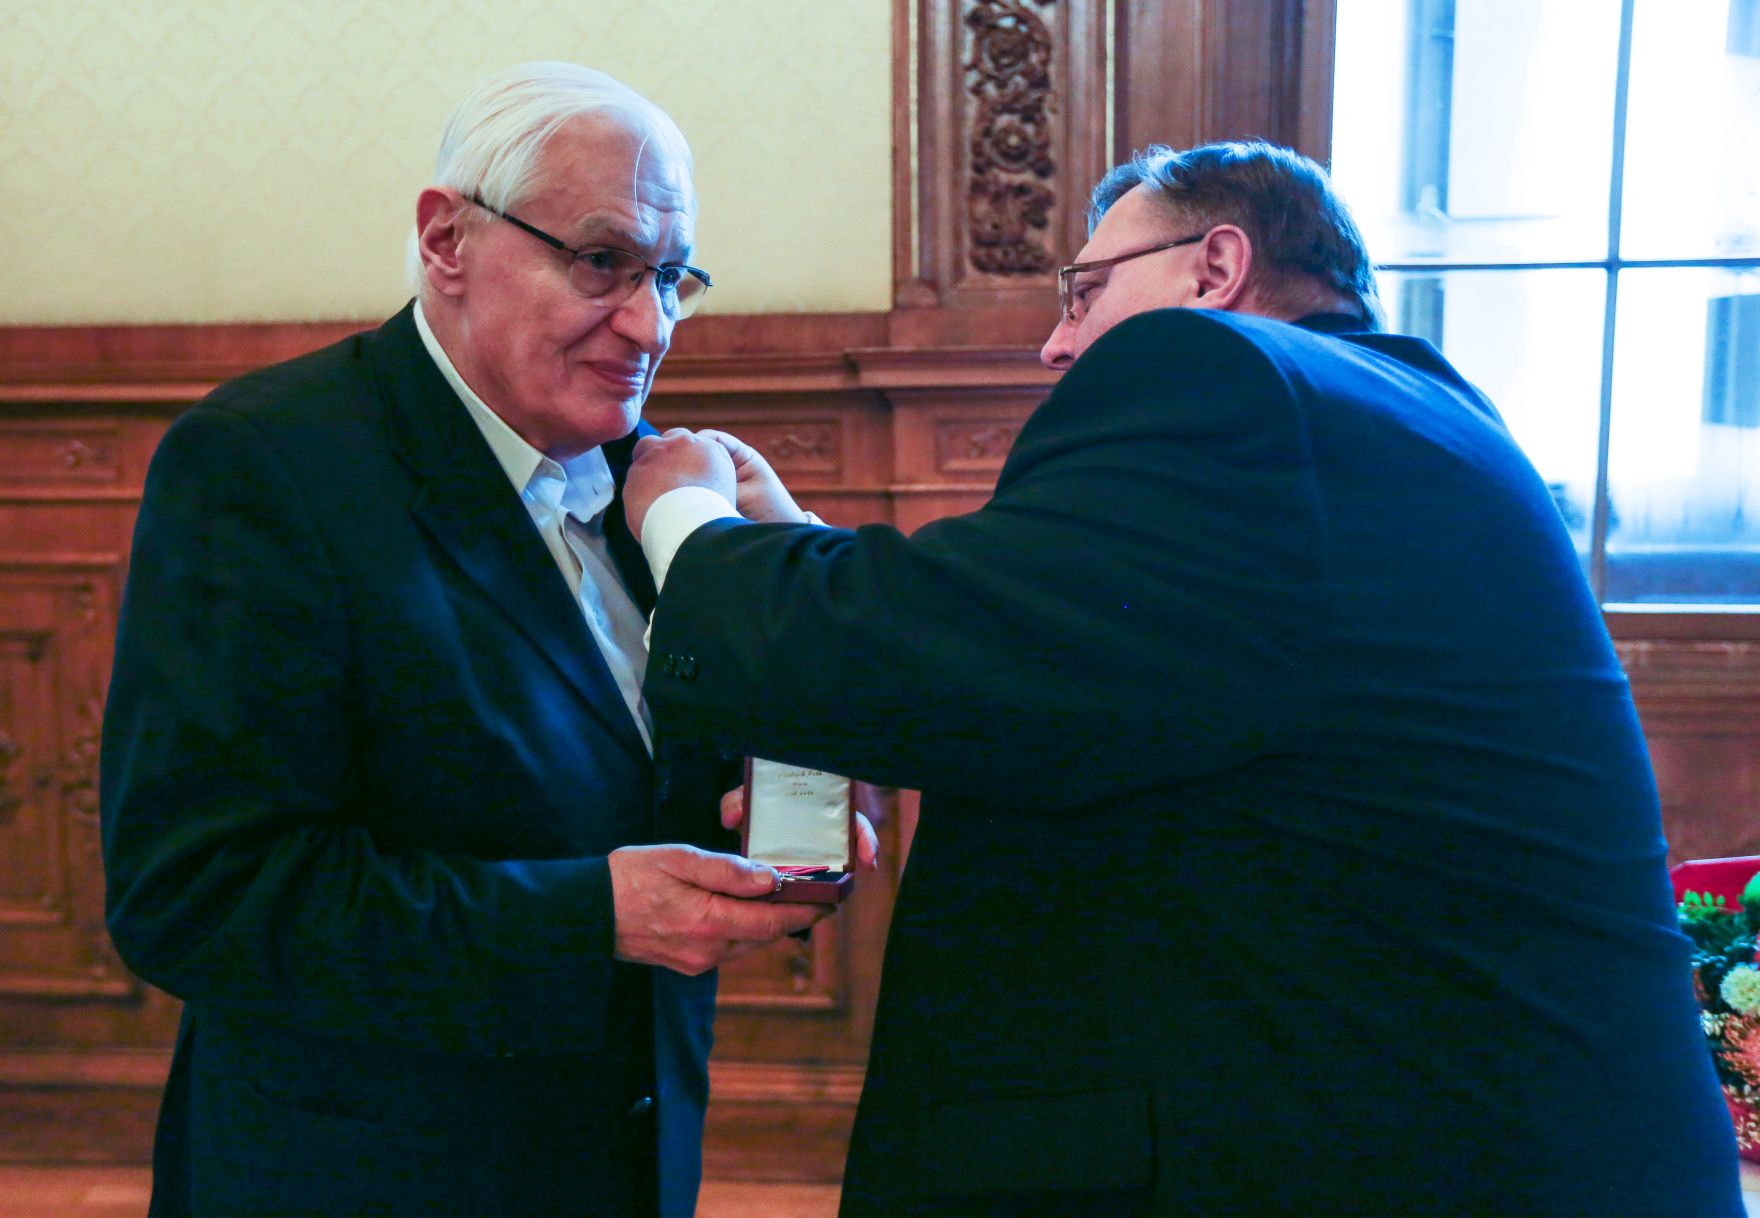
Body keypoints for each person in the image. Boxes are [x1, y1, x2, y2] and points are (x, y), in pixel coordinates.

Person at [621, 141, 1744, 1216]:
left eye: (1081, 291)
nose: (1055, 347)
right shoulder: (1404, 415)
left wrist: (687, 517)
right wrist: (798, 557)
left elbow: (963, 647)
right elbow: (1055, 670)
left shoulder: (1221, 376)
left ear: (1213, 267)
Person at [98, 62, 831, 1218]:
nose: (650, 325)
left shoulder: (656, 481)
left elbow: (627, 788)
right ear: (447, 241)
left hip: (615, 1157)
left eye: (672, 275)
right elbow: (193, 894)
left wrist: (775, 796)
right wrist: (591, 915)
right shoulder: (266, 466)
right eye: (602, 263)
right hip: (362, 1175)